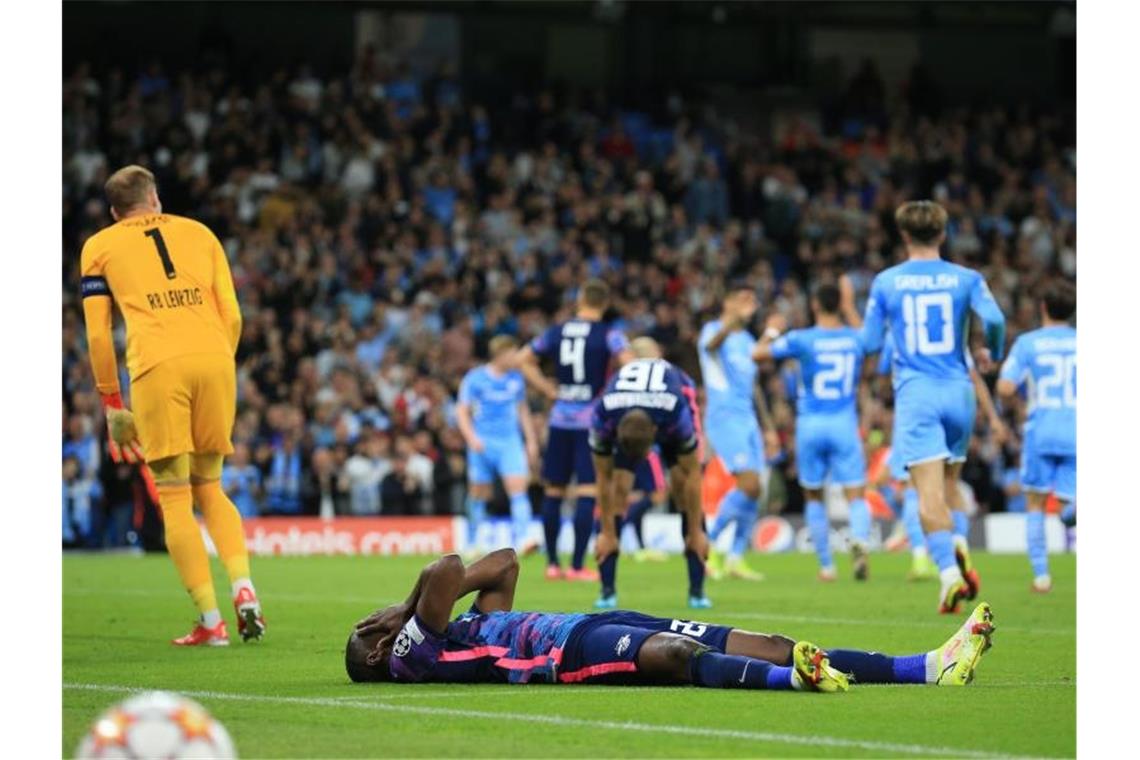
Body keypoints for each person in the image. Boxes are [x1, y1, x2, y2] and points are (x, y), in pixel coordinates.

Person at [345, 548, 996, 691]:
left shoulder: (463, 635)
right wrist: (399, 612)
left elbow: (506, 565)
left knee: (765, 640)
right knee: (670, 655)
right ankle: (798, 681)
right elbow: (448, 570)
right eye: (365, 629)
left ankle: (930, 667)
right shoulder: (409, 654)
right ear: (378, 652)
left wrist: (441, 607)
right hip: (566, 657)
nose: (371, 621)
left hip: (590, 621)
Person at [80, 165, 266, 645]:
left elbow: (99, 333)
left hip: (158, 368)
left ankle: (211, 623)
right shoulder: (200, 233)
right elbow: (234, 312)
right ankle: (244, 589)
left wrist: (111, 402)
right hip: (215, 359)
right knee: (212, 485)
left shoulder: (99, 246)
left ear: (115, 211)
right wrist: (217, 360)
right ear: (155, 198)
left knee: (176, 495)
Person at [860, 200, 1006, 613]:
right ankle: (958, 542)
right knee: (950, 485)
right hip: (959, 392)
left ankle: (947, 576)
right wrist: (990, 354)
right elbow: (994, 321)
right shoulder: (966, 278)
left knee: (927, 494)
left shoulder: (887, 282)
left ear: (904, 235)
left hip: (918, 393)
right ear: (943, 234)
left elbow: (870, 343)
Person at [516, 279, 635, 581]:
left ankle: (553, 564)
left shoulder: (557, 331)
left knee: (553, 491)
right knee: (587, 491)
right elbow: (630, 364)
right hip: (588, 422)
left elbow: (523, 359)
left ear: (580, 299)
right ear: (605, 304)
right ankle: (578, 565)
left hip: (559, 420)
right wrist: (610, 392)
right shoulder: (609, 334)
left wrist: (547, 389)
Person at [753, 284, 869, 582]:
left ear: (815, 305)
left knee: (814, 496)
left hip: (811, 425)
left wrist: (772, 330)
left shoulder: (802, 338)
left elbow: (758, 354)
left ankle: (826, 567)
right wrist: (849, 309)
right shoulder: (854, 338)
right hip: (844, 422)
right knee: (855, 494)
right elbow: (874, 342)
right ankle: (860, 540)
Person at [590, 358, 711, 609]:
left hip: (674, 394)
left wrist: (697, 532)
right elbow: (604, 477)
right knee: (618, 490)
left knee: (681, 488)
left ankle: (697, 592)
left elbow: (693, 474)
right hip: (629, 413)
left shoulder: (676, 412)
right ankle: (607, 591)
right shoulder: (602, 414)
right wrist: (607, 533)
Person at [997, 280, 1076, 593]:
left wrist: (1015, 405)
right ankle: (1074, 510)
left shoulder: (1028, 343)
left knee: (1035, 504)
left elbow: (1004, 387)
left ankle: (1041, 577)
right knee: (1070, 501)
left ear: (1043, 308)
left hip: (1041, 428)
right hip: (1078, 430)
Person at [698, 282, 775, 582]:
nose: (749, 304)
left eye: (752, 300)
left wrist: (767, 427)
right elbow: (710, 347)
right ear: (727, 302)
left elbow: (754, 387)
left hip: (749, 420)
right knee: (749, 483)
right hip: (724, 417)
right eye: (743, 298)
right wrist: (732, 319)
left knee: (756, 492)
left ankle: (735, 558)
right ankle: (709, 546)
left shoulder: (747, 339)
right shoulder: (713, 330)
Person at [455, 336, 540, 553]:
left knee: (518, 488)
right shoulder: (475, 378)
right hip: (482, 442)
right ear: (500, 355)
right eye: (511, 353)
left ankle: (524, 538)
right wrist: (471, 437)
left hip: (510, 442)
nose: (515, 358)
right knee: (478, 493)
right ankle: (473, 541)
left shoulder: (516, 379)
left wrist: (530, 441)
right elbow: (462, 410)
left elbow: (522, 410)